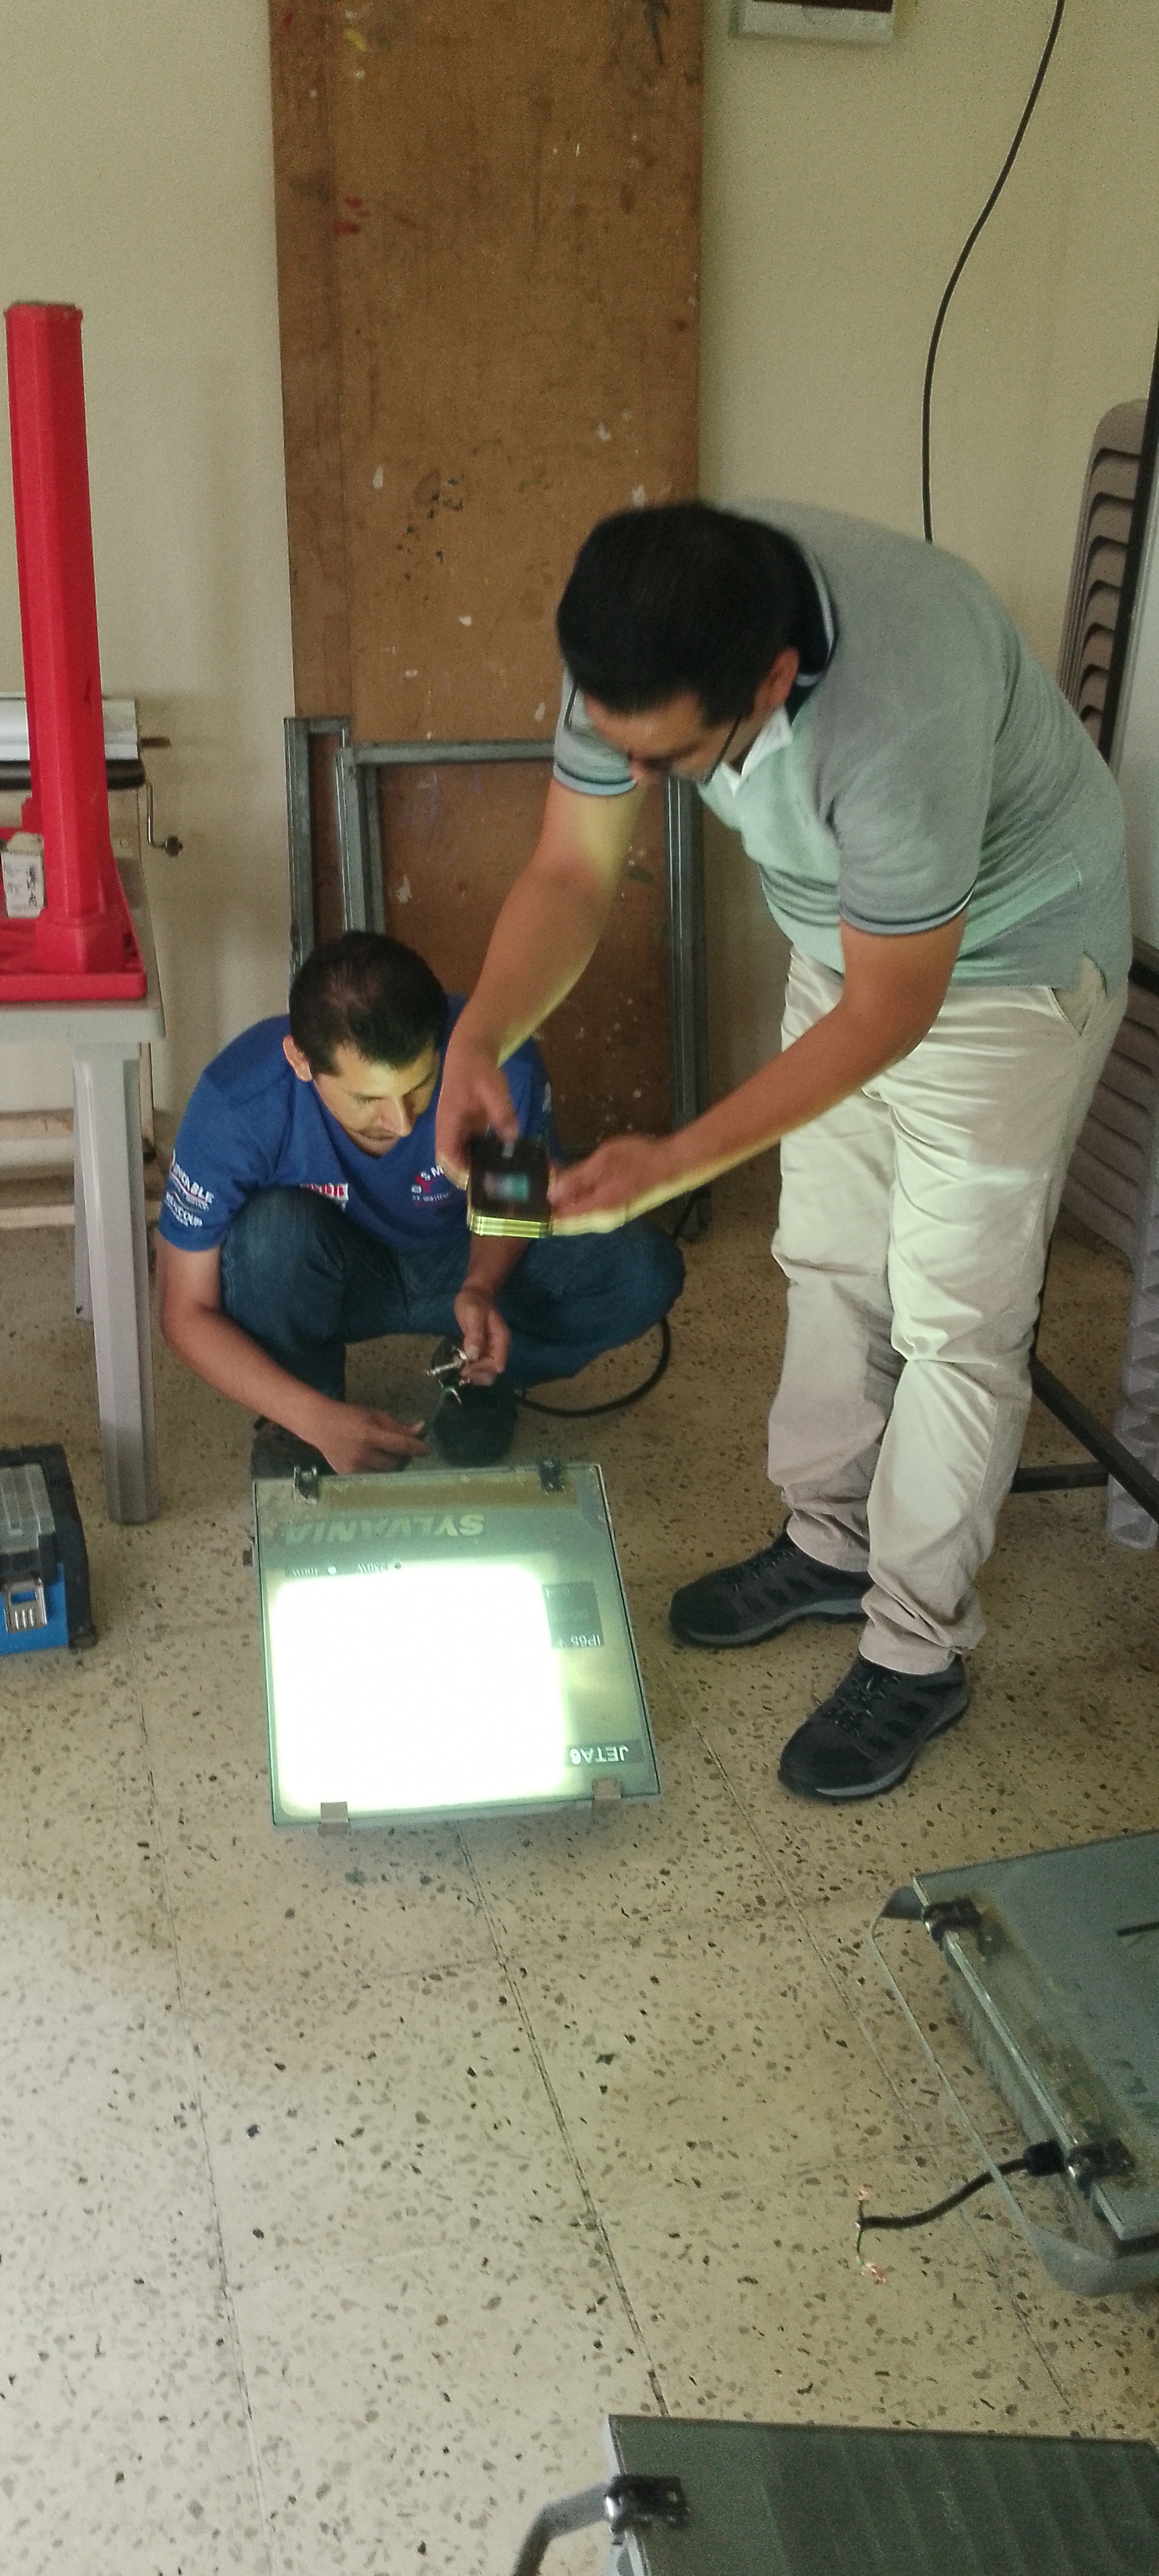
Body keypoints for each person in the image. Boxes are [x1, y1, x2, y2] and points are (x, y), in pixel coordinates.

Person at [435, 498, 1131, 1800]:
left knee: (954, 1321)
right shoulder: (641, 626)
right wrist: (482, 1030)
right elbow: (574, 873)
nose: (638, 780)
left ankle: (917, 1647)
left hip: (1007, 967)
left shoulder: (899, 705)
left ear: (769, 682)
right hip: (845, 945)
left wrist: (675, 1160)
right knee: (828, 1261)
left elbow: (893, 1011)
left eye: (670, 761)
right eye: (619, 748)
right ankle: (829, 1542)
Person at [156, 931, 684, 1474]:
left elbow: (511, 1206)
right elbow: (184, 1312)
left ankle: (474, 1372)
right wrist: (312, 1416)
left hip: (455, 1254)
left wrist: (481, 1288)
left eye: (419, 1085)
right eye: (368, 1099)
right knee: (270, 1235)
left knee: (641, 1270)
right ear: (301, 1060)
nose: (402, 1122)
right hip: (330, 1264)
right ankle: (301, 1419)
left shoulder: (496, 1065)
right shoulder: (238, 1101)